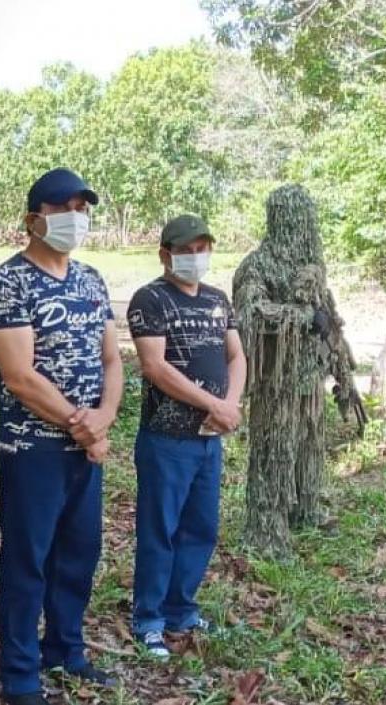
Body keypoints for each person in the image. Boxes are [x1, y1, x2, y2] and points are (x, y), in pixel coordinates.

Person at [0, 168, 123, 705]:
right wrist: (81, 425)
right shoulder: (9, 281)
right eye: (63, 209)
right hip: (32, 447)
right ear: (33, 220)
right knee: (28, 559)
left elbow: (112, 360)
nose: (75, 218)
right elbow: (20, 376)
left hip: (85, 448)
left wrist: (104, 417)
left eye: (82, 209)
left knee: (79, 553)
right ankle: (20, 675)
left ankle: (65, 648)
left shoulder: (92, 280)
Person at [126, 214, 246, 659]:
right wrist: (213, 404)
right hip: (167, 438)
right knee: (160, 529)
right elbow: (155, 367)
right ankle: (149, 619)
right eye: (185, 250)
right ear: (165, 254)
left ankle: (181, 610)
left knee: (201, 528)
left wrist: (229, 404)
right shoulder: (151, 299)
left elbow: (236, 356)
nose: (195, 258)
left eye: (202, 249)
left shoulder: (217, 300)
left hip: (208, 439)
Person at [232, 184, 365, 554]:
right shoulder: (257, 265)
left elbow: (330, 322)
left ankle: (306, 510)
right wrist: (303, 317)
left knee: (309, 450)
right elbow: (250, 314)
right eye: (298, 219)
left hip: (310, 381)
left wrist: (342, 371)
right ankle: (266, 530)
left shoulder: (312, 267)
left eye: (309, 218)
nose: (306, 227)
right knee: (274, 454)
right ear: (281, 220)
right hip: (276, 383)